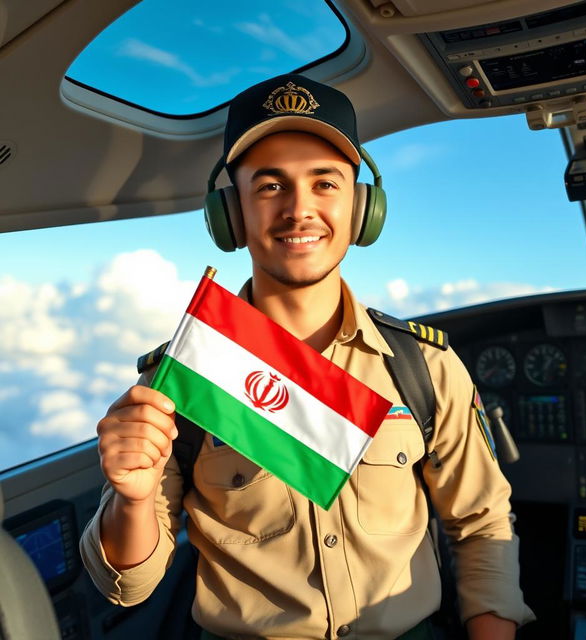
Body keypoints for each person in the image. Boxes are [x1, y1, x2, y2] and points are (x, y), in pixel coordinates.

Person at [80, 74, 534, 640]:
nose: (300, 209)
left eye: (325, 184)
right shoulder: (182, 378)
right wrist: (134, 498)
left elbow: (481, 525)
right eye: (270, 186)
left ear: (362, 207)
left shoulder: (424, 369)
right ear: (231, 215)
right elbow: (131, 584)